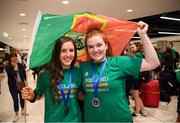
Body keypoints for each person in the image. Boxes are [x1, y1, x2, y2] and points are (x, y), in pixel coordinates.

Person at [80, 21, 160, 122]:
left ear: (106, 46)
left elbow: (153, 63)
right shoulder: (83, 67)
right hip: (93, 119)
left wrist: (143, 35)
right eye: (90, 47)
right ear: (87, 50)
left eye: (99, 45)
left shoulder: (119, 62)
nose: (95, 50)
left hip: (119, 119)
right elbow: (80, 93)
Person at [21, 36, 82, 122]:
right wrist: (32, 96)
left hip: (75, 120)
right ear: (57, 53)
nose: (68, 54)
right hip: (53, 120)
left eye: (71, 50)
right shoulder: (45, 74)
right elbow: (38, 94)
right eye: (63, 51)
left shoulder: (78, 72)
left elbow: (80, 95)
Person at [5, 53, 27, 122]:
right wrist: (15, 68)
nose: (14, 58)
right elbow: (11, 74)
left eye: (15, 56)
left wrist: (25, 82)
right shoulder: (7, 67)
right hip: (13, 86)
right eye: (12, 57)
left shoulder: (20, 65)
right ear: (10, 58)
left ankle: (23, 110)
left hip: (21, 85)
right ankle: (16, 114)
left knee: (22, 98)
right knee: (15, 100)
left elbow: (23, 74)